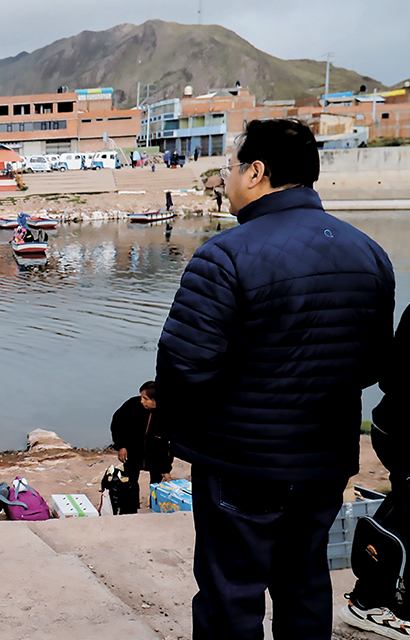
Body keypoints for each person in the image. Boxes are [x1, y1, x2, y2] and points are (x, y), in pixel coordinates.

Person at [155, 118, 395, 640]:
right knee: (304, 580)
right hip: (323, 460)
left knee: (231, 591)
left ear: (257, 172)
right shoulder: (370, 254)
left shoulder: (225, 255)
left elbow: (183, 367)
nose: (229, 179)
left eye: (232, 168)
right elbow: (375, 364)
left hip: (243, 461)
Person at [342, 305, 410, 636]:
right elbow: (391, 375)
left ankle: (372, 598)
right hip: (402, 428)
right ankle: (372, 603)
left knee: (403, 505)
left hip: (394, 424)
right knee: (405, 510)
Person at [108, 381, 171, 513]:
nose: (141, 401)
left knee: (156, 485)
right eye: (141, 397)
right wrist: (121, 446)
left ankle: (155, 510)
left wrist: (166, 469)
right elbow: (117, 423)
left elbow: (170, 445)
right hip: (133, 453)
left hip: (156, 456)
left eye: (145, 399)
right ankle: (132, 509)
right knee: (130, 483)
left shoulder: (167, 414)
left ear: (155, 400)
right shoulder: (132, 405)